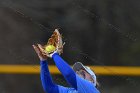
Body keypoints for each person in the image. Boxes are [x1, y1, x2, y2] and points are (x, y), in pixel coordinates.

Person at [33, 44, 100, 93]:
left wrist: (54, 54)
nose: (78, 71)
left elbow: (68, 74)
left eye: (83, 72)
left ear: (92, 81)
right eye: (77, 73)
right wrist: (43, 61)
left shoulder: (91, 89)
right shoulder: (71, 91)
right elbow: (49, 88)